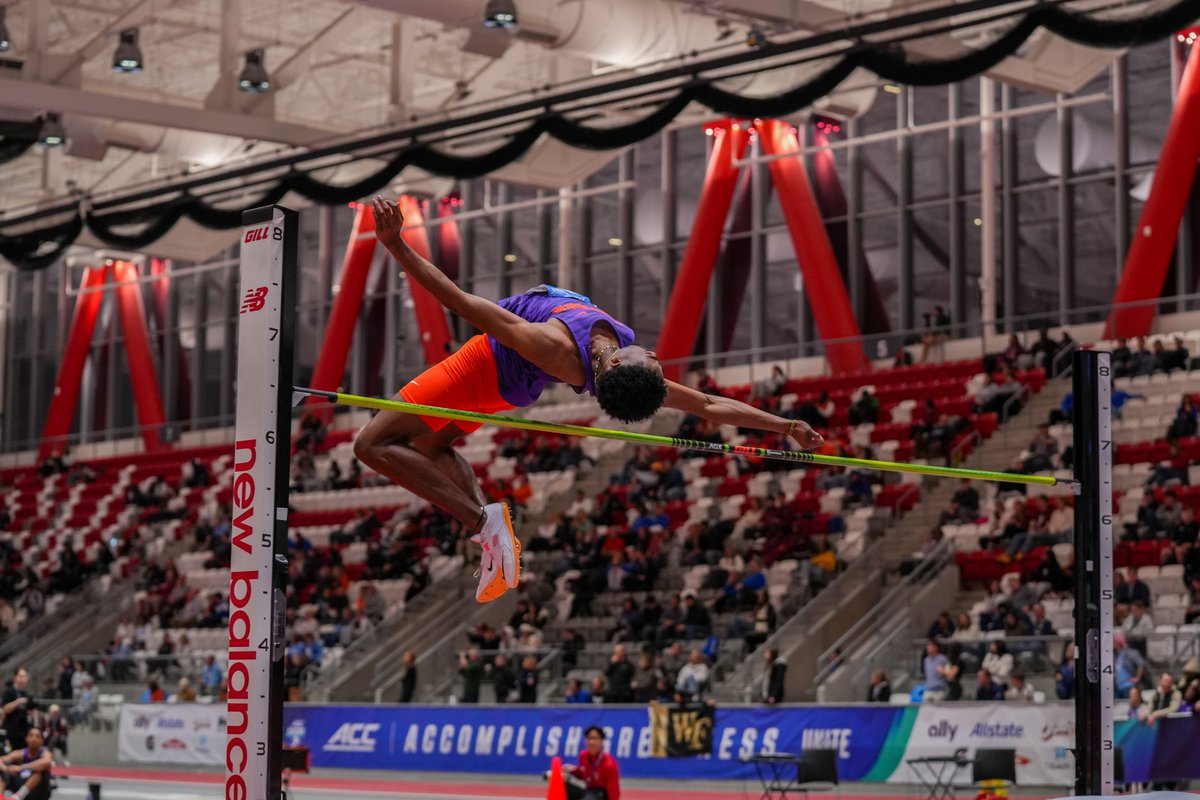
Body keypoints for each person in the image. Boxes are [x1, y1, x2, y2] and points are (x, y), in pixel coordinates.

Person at [358, 197, 824, 604]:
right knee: (434, 448)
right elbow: (708, 405)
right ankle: (491, 528)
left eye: (653, 363)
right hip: (507, 390)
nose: (657, 355)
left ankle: (481, 521)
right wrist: (783, 426)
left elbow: (458, 300)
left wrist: (396, 244)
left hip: (480, 369)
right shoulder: (621, 357)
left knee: (370, 444)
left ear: (622, 366)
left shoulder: (554, 348)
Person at [564, 725, 620, 800]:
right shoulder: (583, 755)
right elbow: (583, 774)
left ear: (601, 740)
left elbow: (614, 790)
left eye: (594, 738)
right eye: (588, 738)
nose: (591, 742)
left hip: (601, 795)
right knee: (561, 787)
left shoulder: (609, 763)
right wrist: (572, 770)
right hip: (588, 791)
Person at [0, 728, 52, 800]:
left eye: (37, 736)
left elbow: (46, 762)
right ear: (27, 739)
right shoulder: (21, 753)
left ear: (42, 741)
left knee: (38, 770)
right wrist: (6, 769)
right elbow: (1, 760)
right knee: (6, 772)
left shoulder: (46, 753)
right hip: (25, 789)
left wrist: (21, 767)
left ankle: (17, 797)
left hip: (40, 793)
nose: (34, 738)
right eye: (31, 735)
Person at [2, 669, 32, 752]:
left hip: (24, 731)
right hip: (12, 731)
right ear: (15, 678)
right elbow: (4, 709)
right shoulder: (8, 692)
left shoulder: (26, 693)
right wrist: (17, 702)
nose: (23, 679)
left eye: (25, 677)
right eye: (21, 676)